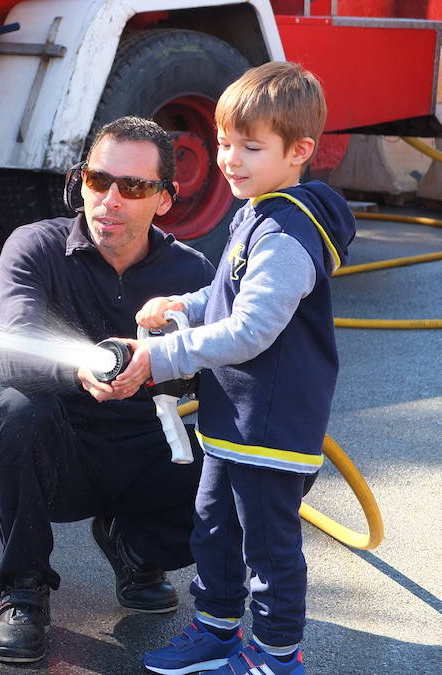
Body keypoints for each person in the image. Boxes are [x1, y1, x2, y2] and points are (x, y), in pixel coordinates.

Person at [134, 62, 357, 675]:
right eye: (225, 143)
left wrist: (162, 356)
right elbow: (231, 298)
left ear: (300, 151)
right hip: (233, 421)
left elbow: (254, 329)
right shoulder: (257, 211)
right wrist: (185, 305)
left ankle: (277, 656)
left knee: (266, 547)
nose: (230, 159)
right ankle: (216, 632)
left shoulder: (286, 230)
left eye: (251, 147)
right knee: (214, 529)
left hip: (271, 428)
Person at [0, 116, 215, 663]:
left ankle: (136, 547)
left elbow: (230, 369)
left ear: (163, 199)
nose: (109, 199)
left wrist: (158, 363)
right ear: (78, 181)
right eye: (97, 180)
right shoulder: (34, 247)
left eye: (132, 187)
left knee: (275, 454)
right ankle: (24, 591)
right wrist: (78, 371)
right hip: (64, 455)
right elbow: (10, 352)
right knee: (15, 412)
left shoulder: (193, 272)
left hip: (152, 451)